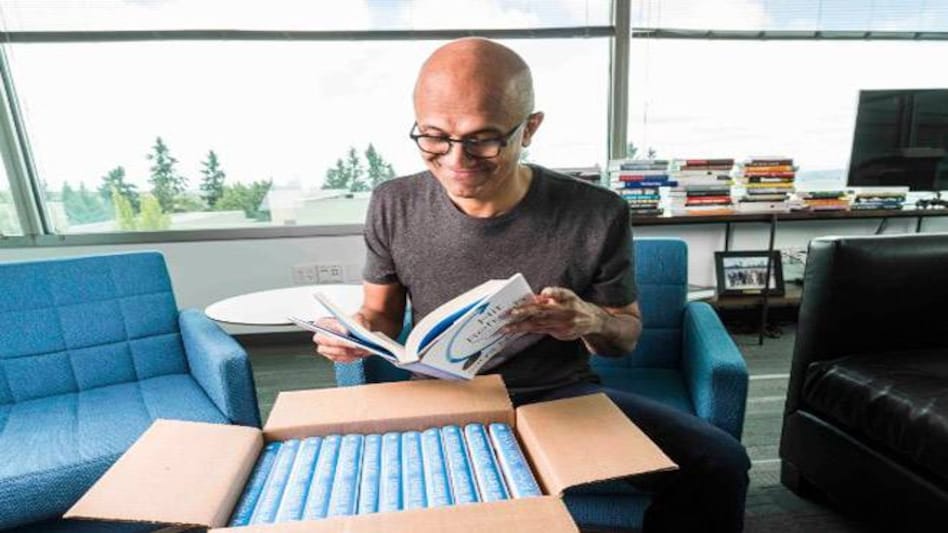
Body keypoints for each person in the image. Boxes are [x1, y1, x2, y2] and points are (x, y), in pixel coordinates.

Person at [313, 37, 750, 533]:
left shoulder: (596, 212)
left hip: (558, 396)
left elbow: (624, 337)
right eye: (434, 136)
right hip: (441, 401)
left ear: (531, 128)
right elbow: (381, 316)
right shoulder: (393, 203)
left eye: (483, 138)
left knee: (721, 462)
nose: (457, 159)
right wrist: (353, 334)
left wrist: (589, 320)